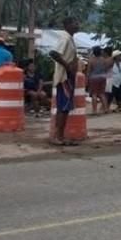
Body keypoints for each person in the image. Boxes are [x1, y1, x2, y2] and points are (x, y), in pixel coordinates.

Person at [49, 17, 80, 146]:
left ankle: (61, 136)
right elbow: (54, 53)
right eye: (75, 22)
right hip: (65, 77)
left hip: (69, 76)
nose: (77, 25)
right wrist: (67, 66)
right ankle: (58, 136)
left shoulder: (70, 39)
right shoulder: (65, 38)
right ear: (67, 25)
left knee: (66, 107)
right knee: (63, 107)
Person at [87, 46, 109, 115]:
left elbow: (89, 71)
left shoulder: (91, 60)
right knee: (102, 93)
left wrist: (87, 79)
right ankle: (105, 109)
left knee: (94, 94)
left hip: (94, 78)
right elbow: (106, 69)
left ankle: (94, 110)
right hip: (102, 77)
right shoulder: (104, 60)